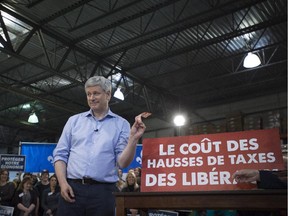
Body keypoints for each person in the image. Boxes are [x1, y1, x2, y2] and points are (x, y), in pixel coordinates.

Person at [53, 76, 147, 216]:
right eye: (88, 94)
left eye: (96, 93)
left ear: (108, 94)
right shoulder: (73, 121)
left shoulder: (121, 124)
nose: (91, 98)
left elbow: (122, 162)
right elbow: (60, 154)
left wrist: (133, 139)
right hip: (72, 189)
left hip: (103, 193)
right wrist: (62, 183)